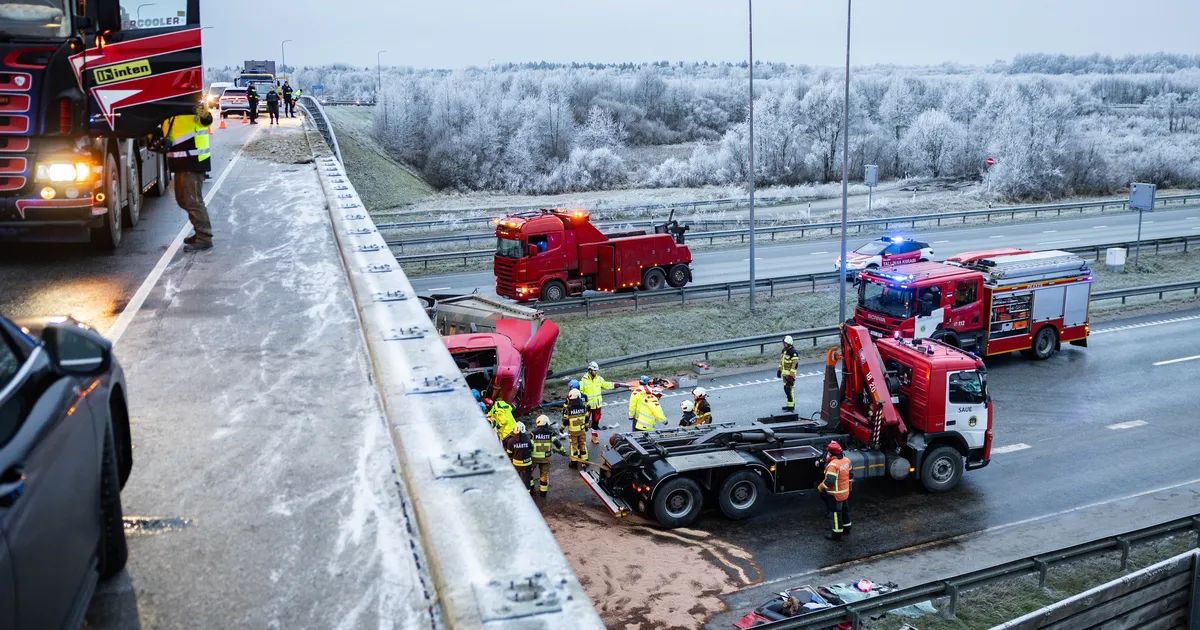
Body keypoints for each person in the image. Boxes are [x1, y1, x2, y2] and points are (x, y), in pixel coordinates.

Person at [162, 103, 214, 252]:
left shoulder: (191, 107)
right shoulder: (170, 111)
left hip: (194, 162)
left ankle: (205, 238)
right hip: (180, 163)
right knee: (183, 200)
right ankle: (199, 233)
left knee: (193, 201)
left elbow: (207, 120)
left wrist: (205, 114)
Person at [816, 441, 852, 540]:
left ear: (831, 453)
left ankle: (836, 534)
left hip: (835, 494)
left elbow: (830, 480)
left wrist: (820, 487)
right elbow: (850, 475)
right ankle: (847, 528)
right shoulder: (846, 460)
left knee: (836, 514)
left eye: (828, 452)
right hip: (844, 492)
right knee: (845, 510)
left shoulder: (833, 465)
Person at [580, 361, 622, 445]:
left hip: (597, 405)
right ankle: (582, 439)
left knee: (596, 422)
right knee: (584, 423)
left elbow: (606, 384)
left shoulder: (599, 379)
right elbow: (580, 392)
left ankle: (594, 437)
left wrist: (614, 385)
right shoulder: (583, 380)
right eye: (594, 370)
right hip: (587, 406)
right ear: (589, 370)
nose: (596, 372)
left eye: (596, 371)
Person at [529, 415, 567, 498]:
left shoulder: (533, 433)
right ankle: (543, 494)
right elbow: (557, 443)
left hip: (534, 458)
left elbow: (529, 445)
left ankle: (532, 490)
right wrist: (563, 451)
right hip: (546, 459)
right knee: (544, 476)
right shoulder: (550, 433)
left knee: (529, 473)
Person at [503, 422, 534, 495]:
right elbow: (530, 450)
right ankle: (528, 495)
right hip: (527, 464)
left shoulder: (511, 441)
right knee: (526, 480)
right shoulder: (528, 440)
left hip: (516, 464)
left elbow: (509, 454)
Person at [562, 389, 589, 468]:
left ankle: (574, 463)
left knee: (574, 446)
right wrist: (586, 427)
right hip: (582, 430)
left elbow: (565, 420)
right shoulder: (583, 407)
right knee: (583, 444)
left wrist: (561, 428)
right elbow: (586, 418)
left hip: (572, 432)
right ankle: (585, 462)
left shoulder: (568, 409)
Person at [778, 335, 799, 411]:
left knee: (789, 390)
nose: (784, 344)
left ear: (789, 343)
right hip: (784, 375)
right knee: (786, 389)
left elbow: (794, 366)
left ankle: (791, 407)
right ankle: (789, 405)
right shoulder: (784, 350)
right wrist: (779, 370)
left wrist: (791, 376)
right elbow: (782, 362)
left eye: (785, 343)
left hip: (790, 376)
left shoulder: (793, 353)